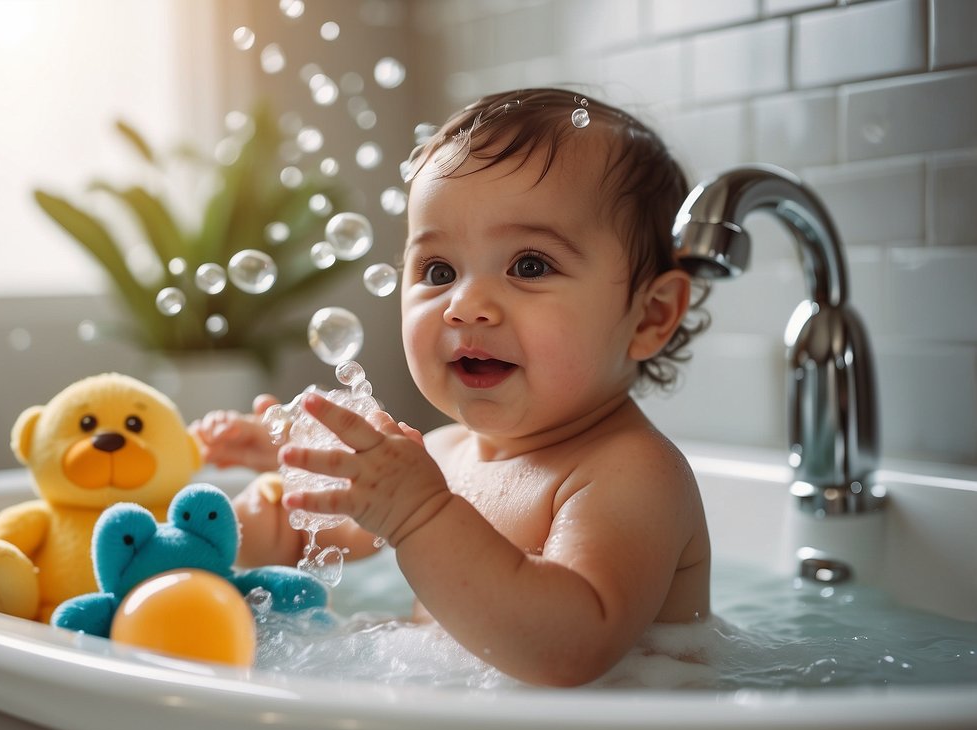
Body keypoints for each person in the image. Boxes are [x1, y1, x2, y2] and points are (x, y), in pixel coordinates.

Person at [190, 88, 711, 687]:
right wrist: (276, 491)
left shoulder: (632, 476)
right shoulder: (441, 453)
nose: (465, 306)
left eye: (530, 265)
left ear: (649, 317)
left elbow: (569, 648)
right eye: (438, 271)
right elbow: (306, 538)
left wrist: (420, 513)